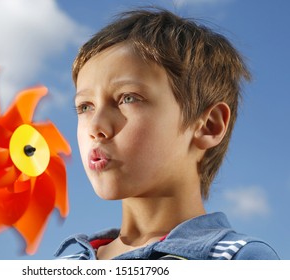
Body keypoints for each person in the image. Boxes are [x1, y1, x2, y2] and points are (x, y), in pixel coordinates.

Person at [55, 7, 279, 260]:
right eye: (85, 107)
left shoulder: (236, 258)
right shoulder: (69, 263)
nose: (95, 127)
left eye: (128, 98)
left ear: (209, 126)